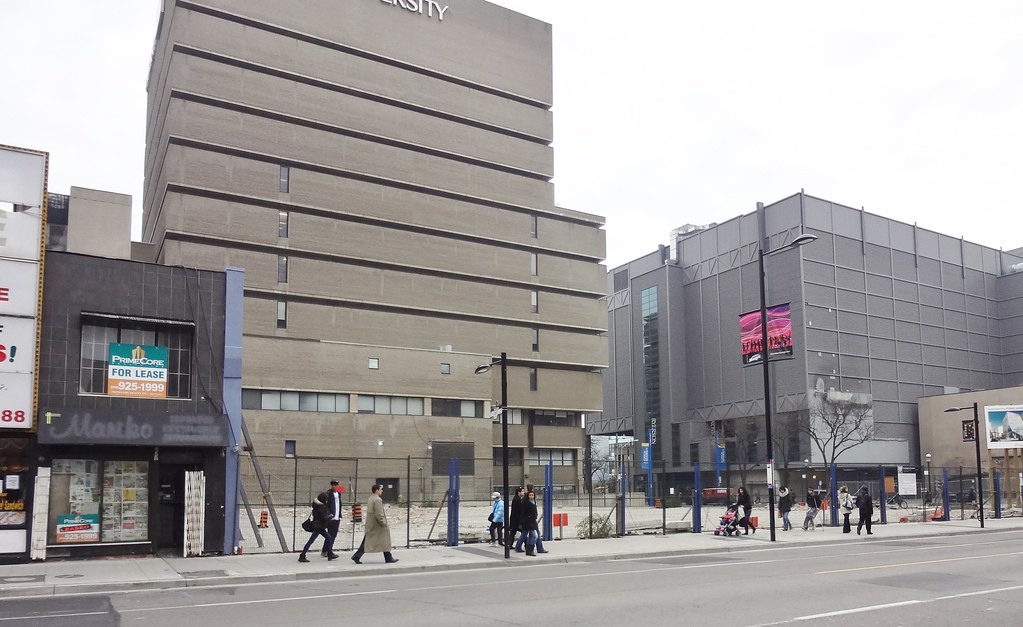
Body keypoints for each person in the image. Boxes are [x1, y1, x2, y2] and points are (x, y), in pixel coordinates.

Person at [351, 484, 398, 564]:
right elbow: (379, 514)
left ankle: (388, 557)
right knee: (377, 541)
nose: (382, 491)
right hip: (378, 525)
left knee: (376, 540)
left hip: (372, 524)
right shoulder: (377, 500)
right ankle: (357, 556)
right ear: (377, 490)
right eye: (381, 489)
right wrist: (383, 523)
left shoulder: (371, 498)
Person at [299, 492, 337, 562]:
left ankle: (330, 554)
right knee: (311, 541)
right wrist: (331, 516)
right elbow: (324, 518)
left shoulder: (316, 505)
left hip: (318, 525)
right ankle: (302, 555)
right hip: (319, 527)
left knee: (329, 538)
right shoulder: (322, 507)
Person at [321, 480, 343, 557]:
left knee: (333, 535)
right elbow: (326, 505)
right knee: (330, 535)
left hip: (337, 517)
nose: (334, 486)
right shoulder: (328, 494)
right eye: (333, 485)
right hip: (330, 518)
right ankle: (327, 551)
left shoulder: (339, 494)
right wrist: (328, 515)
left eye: (336, 485)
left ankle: (327, 550)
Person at [521, 489, 540, 556]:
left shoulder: (533, 502)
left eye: (532, 495)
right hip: (528, 522)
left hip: (533, 521)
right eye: (530, 495)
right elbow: (524, 513)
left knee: (531, 536)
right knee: (535, 536)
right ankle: (530, 550)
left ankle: (528, 550)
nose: (531, 496)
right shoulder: (526, 503)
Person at [509, 487, 525, 552]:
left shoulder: (517, 498)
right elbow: (518, 511)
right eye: (522, 491)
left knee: (513, 532)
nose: (523, 493)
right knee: (523, 532)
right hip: (516, 520)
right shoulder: (517, 500)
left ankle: (510, 544)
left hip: (515, 519)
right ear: (519, 492)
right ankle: (523, 546)